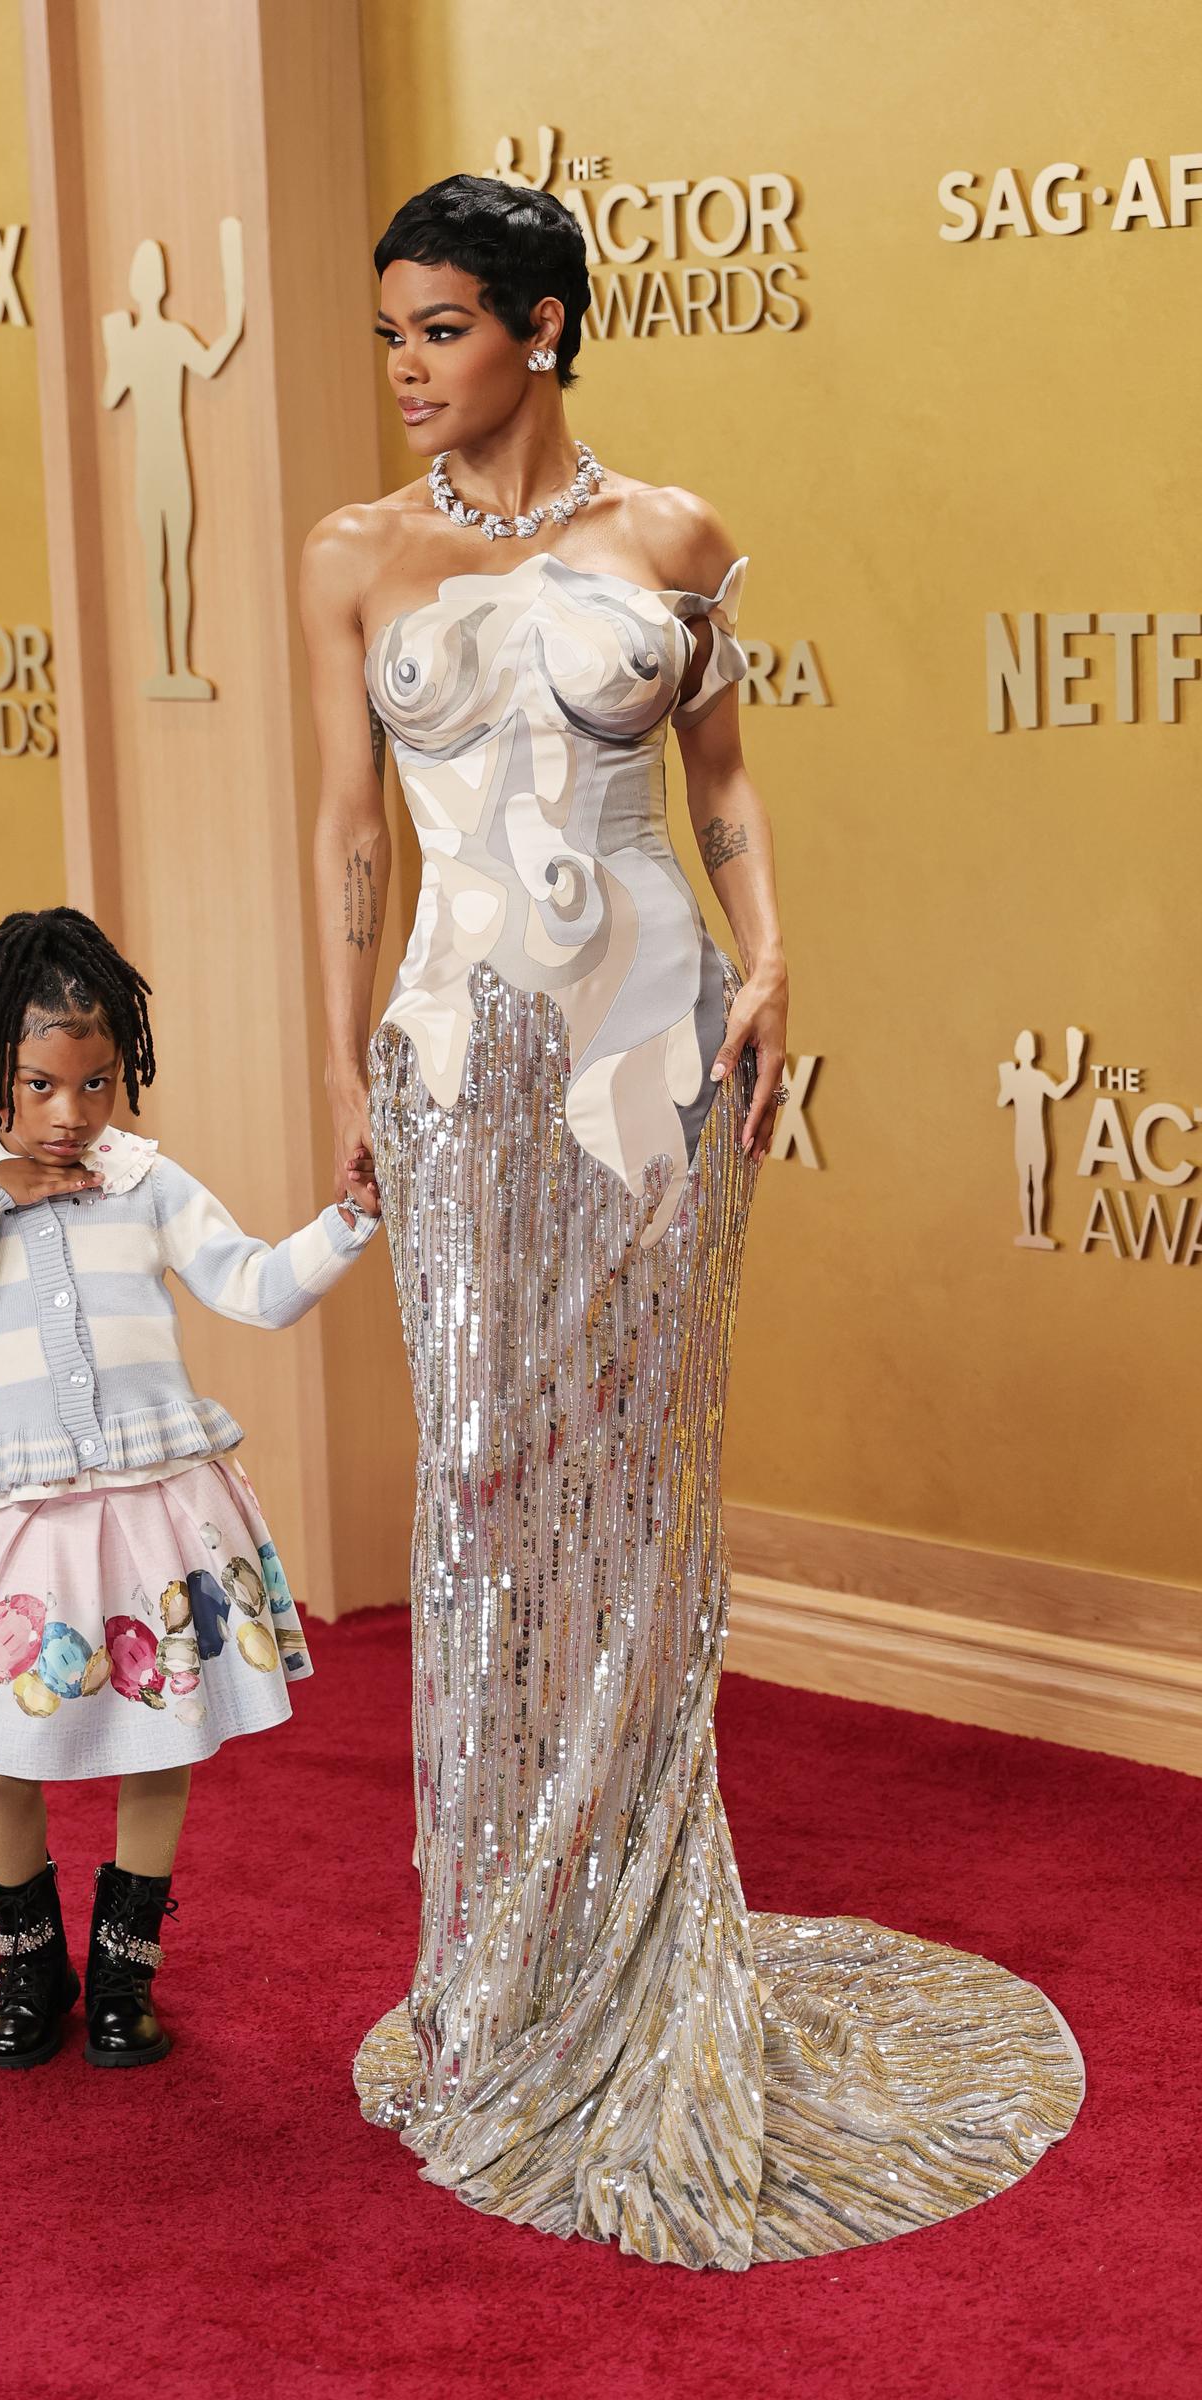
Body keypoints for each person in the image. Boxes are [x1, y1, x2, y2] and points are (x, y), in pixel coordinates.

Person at [299, 174, 1084, 2267]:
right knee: (477, 1489)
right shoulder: (350, 559)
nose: (403, 369)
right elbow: (340, 824)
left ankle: (642, 1944)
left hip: (652, 1049)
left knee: (638, 1491)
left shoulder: (676, 540)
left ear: (541, 329)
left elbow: (719, 785)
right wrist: (330, 1067)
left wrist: (769, 953)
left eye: (440, 329)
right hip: (448, 1067)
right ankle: (504, 1968)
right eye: (387, 331)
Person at [0, 906, 379, 2071]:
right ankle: (29, 1965)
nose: (72, 1116)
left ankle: (122, 1971)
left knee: (155, 1746)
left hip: (158, 1507)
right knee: (1, 1753)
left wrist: (353, 1221)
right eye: (43, 1086)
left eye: (99, 1084)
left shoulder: (147, 1181)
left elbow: (255, 1287)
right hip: (35, 1524)